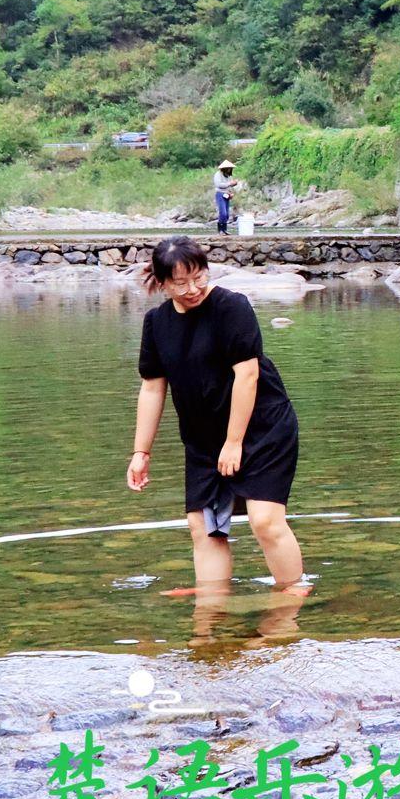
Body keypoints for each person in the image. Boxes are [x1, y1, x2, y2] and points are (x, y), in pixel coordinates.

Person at [126, 236, 306, 595]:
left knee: (265, 521)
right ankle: (212, 601)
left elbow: (248, 374)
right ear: (161, 283)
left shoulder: (231, 307)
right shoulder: (157, 323)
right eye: (180, 283)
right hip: (204, 438)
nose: (193, 289)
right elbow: (152, 388)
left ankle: (292, 595)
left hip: (262, 427)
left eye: (199, 277)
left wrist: (235, 442)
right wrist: (140, 452)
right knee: (204, 527)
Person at [212, 160, 242, 235]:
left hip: (227, 194)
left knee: (227, 214)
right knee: (223, 213)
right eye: (228, 168)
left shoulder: (228, 176)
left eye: (230, 168)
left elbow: (229, 186)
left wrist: (231, 191)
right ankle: (220, 230)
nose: (229, 169)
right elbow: (219, 185)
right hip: (220, 194)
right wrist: (230, 183)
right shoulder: (218, 175)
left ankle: (224, 230)